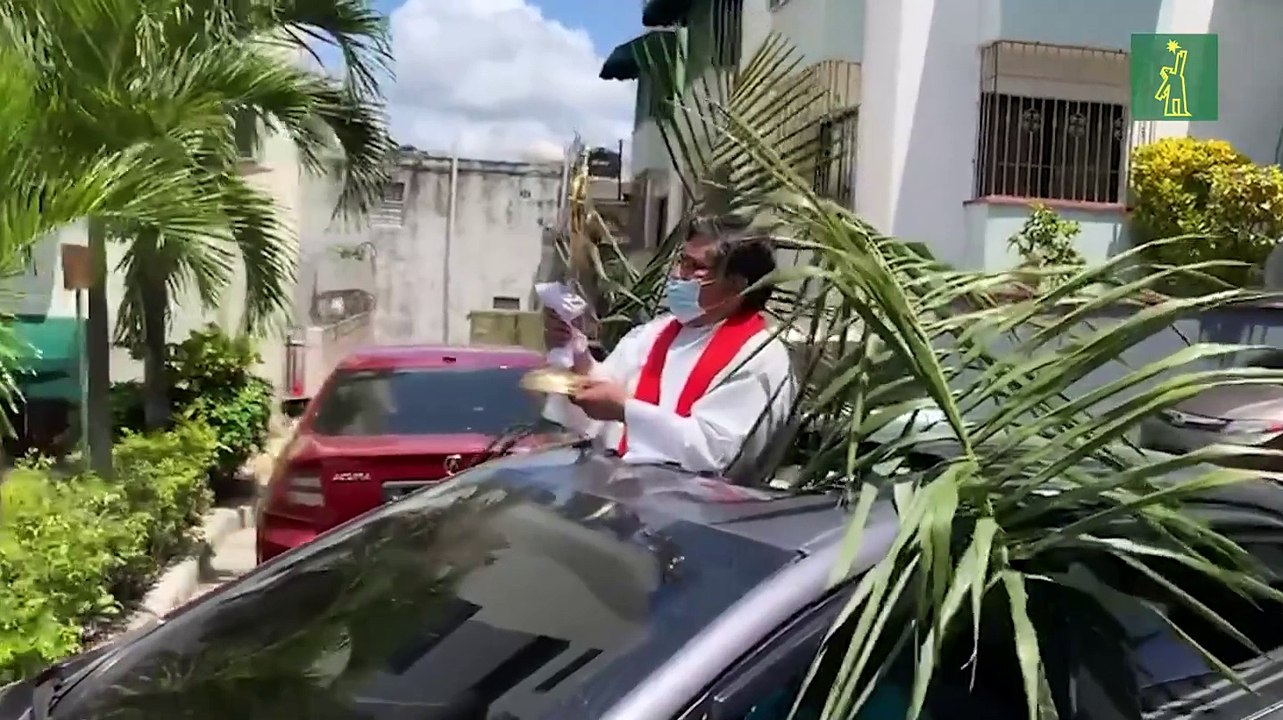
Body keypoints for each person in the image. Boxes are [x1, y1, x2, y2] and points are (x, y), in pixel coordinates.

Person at [542, 215, 797, 483]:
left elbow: (715, 452)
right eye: (681, 261)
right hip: (621, 494)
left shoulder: (760, 356)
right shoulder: (655, 332)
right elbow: (604, 399)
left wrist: (625, 410)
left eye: (694, 267)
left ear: (737, 286)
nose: (677, 274)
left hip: (695, 505)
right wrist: (576, 352)